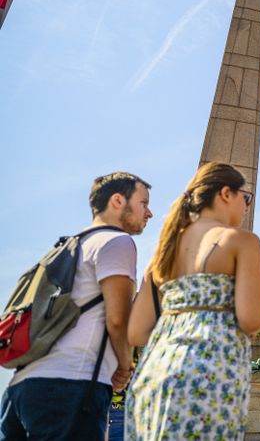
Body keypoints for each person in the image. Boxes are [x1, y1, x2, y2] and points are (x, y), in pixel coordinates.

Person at [0, 172, 152, 441]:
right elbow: (118, 320)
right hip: (71, 387)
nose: (149, 212)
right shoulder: (117, 242)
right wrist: (125, 366)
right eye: (143, 203)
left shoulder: (67, 246)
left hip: (20, 390)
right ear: (117, 201)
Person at [125, 162, 260, 440]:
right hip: (209, 376)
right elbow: (252, 318)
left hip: (154, 374)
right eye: (246, 197)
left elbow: (136, 332)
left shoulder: (163, 254)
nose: (247, 206)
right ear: (226, 193)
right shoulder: (241, 241)